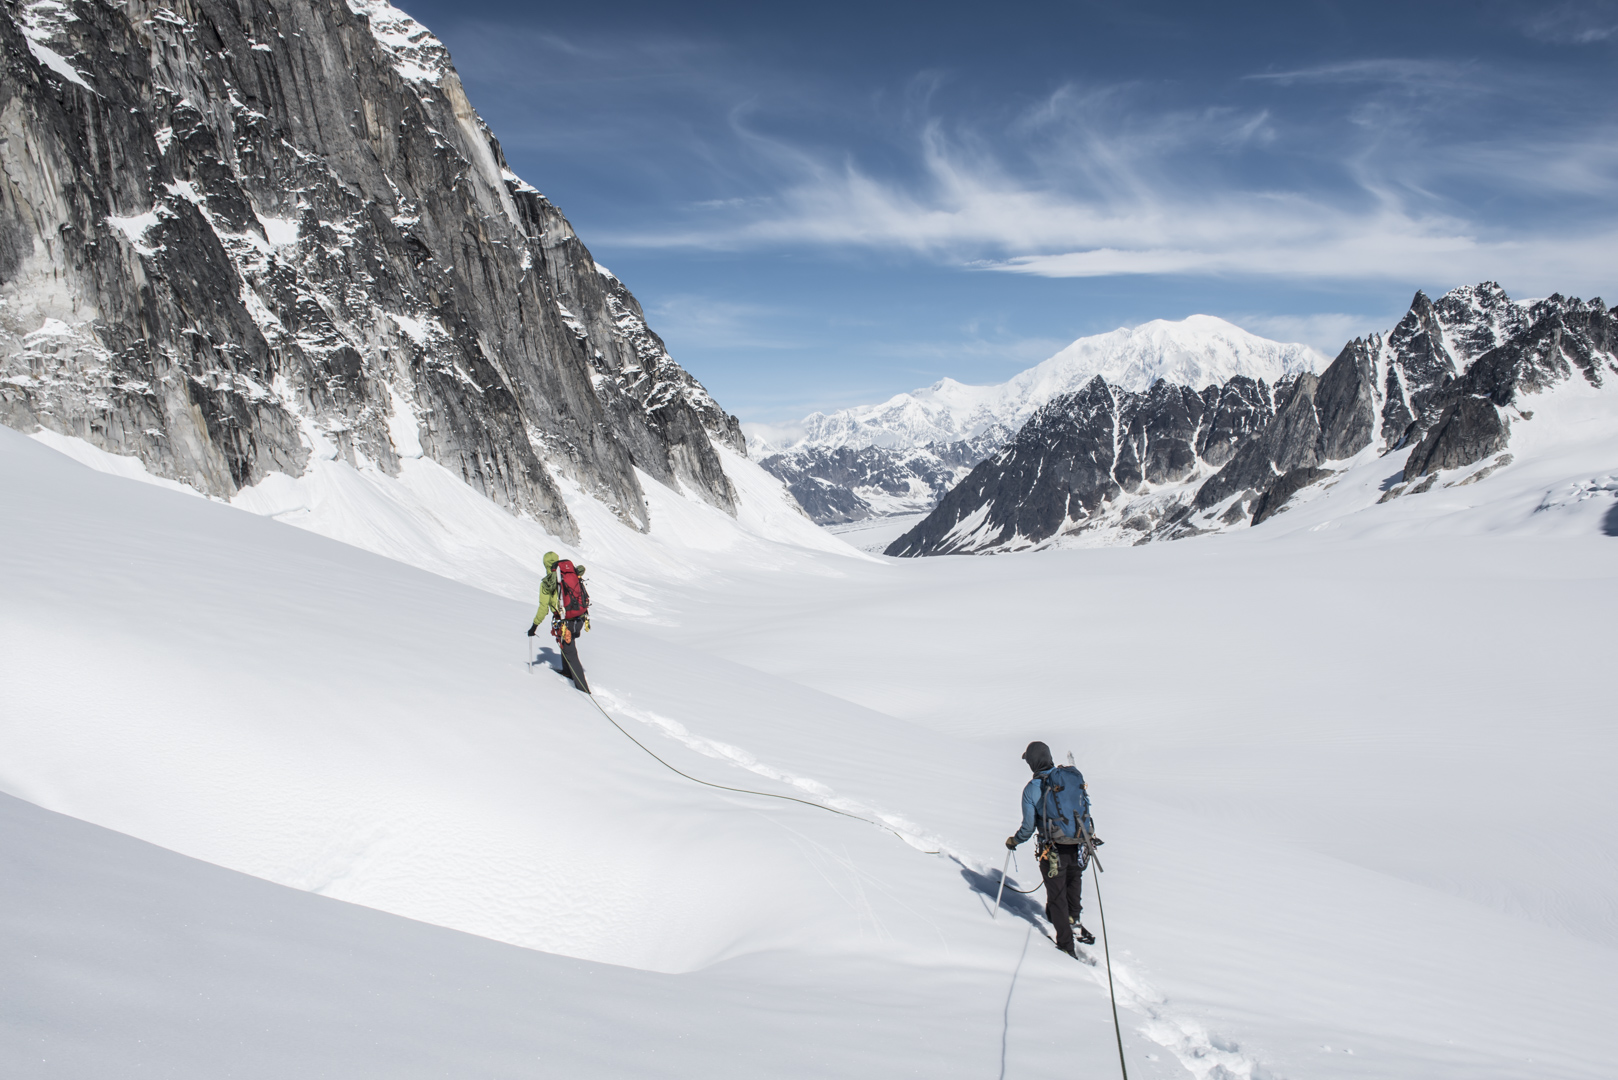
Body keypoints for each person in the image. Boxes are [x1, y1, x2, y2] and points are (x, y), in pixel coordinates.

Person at [1005, 740, 1097, 956]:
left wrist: (1015, 841)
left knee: (1056, 895)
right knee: (1074, 881)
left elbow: (1028, 826)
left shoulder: (1032, 789)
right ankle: (1074, 920)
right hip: (1076, 842)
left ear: (1033, 762)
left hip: (1052, 848)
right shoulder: (1067, 779)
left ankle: (1066, 945)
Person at [526, 551, 591, 693]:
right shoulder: (569, 575)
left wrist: (534, 626)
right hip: (578, 618)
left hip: (564, 622)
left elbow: (543, 608)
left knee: (571, 652)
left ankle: (583, 689)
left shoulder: (548, 583)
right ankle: (567, 672)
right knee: (566, 645)